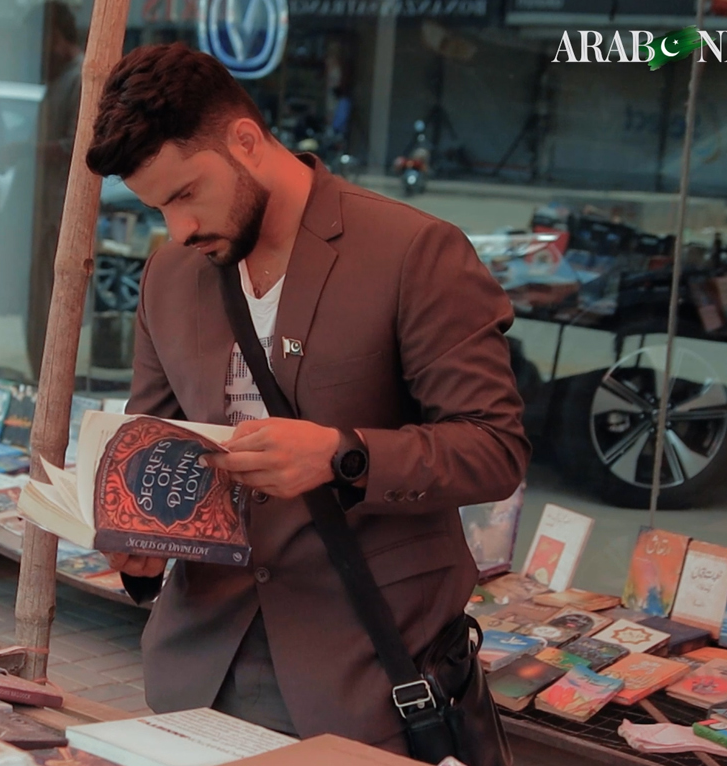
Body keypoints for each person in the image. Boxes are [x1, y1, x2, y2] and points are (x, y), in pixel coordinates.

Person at [83, 43, 529, 755]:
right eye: (158, 206)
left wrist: (341, 456)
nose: (180, 229)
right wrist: (137, 544)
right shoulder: (170, 275)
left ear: (246, 141)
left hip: (368, 668)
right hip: (197, 664)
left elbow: (494, 448)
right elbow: (154, 437)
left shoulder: (413, 252)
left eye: (187, 193)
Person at [0, 1, 82, 382]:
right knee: (35, 311)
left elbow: (77, 147)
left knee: (50, 312)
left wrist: (23, 151)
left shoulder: (80, 79)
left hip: (58, 218)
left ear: (56, 38)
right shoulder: (58, 82)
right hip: (38, 215)